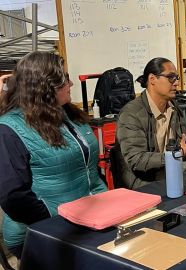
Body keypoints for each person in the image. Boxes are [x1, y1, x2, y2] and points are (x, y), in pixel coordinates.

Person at [0, 52, 107, 258]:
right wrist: (53, 220)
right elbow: (13, 197)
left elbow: (88, 166)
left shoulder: (66, 114)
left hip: (88, 218)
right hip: (44, 230)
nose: (71, 84)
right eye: (65, 79)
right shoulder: (10, 128)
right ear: (44, 86)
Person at [116, 57, 186, 189]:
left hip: (170, 172)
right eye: (171, 77)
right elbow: (137, 160)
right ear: (152, 79)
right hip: (143, 181)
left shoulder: (172, 107)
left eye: (177, 77)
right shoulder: (131, 114)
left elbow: (185, 148)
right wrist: (177, 154)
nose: (177, 83)